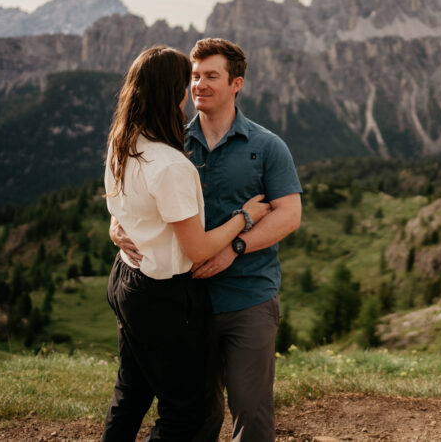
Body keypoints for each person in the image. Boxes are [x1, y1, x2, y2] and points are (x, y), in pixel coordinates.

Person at [111, 37, 302, 442]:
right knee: (199, 411)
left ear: (237, 84)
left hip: (247, 296)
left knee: (250, 408)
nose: (199, 84)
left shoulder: (267, 146)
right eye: (195, 76)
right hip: (186, 300)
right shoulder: (170, 141)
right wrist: (116, 226)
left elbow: (289, 214)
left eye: (211, 76)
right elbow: (137, 190)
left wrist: (236, 248)